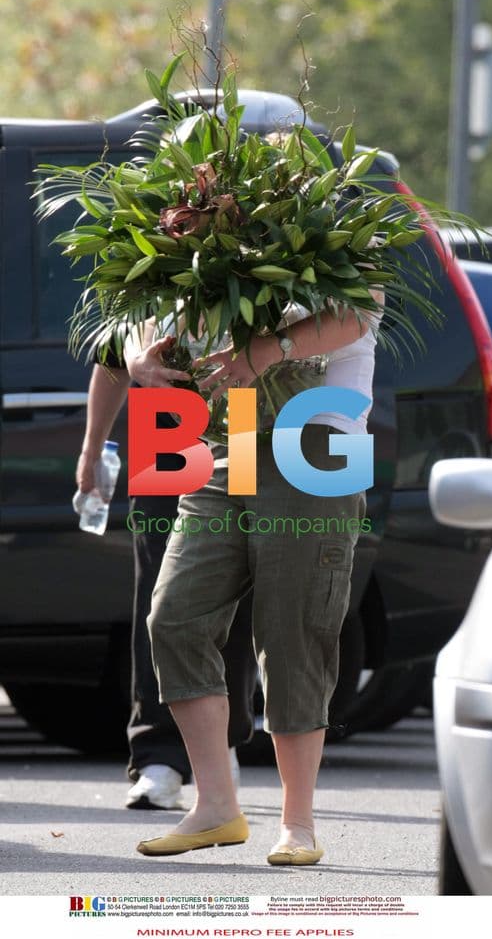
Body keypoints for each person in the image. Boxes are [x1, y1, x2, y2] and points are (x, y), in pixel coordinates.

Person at [124, 292, 383, 864]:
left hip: (319, 435)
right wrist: (139, 356)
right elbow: (148, 307)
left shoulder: (346, 230)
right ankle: (216, 807)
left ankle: (298, 823)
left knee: (293, 630)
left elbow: (362, 308)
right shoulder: (210, 239)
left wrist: (267, 349)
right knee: (174, 617)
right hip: (230, 434)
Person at [76, 358, 258, 809]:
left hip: (241, 408)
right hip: (162, 416)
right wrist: (92, 448)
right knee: (158, 591)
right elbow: (113, 352)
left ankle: (222, 741)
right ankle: (159, 757)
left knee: (233, 583)